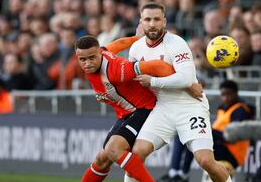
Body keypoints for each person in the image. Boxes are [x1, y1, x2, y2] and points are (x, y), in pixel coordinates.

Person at [127, 2, 231, 182]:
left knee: (205, 161)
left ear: (165, 21)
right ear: (141, 22)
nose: (152, 24)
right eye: (148, 19)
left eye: (157, 19)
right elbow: (130, 78)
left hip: (189, 106)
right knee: (135, 155)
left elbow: (186, 79)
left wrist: (152, 81)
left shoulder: (177, 43)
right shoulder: (136, 48)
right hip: (162, 108)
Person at [76, 33, 198, 182]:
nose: (87, 63)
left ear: (100, 53)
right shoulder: (99, 52)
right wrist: (136, 37)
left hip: (143, 108)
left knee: (113, 149)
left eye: (91, 58)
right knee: (102, 159)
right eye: (82, 59)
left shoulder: (116, 71)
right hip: (126, 113)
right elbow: (119, 43)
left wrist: (187, 84)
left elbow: (157, 65)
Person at [158, 80, 253, 182]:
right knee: (188, 133)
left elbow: (232, 138)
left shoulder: (240, 111)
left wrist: (209, 131)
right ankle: (175, 172)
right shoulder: (223, 109)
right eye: (223, 95)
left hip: (232, 153)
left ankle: (182, 173)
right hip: (221, 146)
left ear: (235, 94)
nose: (225, 98)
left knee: (195, 135)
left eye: (228, 94)